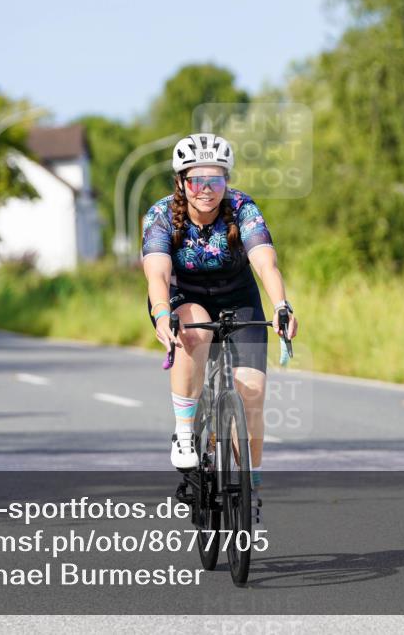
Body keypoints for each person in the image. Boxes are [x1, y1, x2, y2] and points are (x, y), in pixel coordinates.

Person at [141, 132, 299, 526]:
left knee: (252, 392)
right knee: (194, 328)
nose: (207, 190)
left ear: (226, 181)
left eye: (216, 179)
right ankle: (184, 431)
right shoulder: (161, 215)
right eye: (197, 180)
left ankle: (251, 482)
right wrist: (162, 313)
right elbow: (157, 273)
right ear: (181, 183)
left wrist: (281, 305)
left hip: (237, 297)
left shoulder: (242, 208)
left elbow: (265, 264)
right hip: (182, 299)